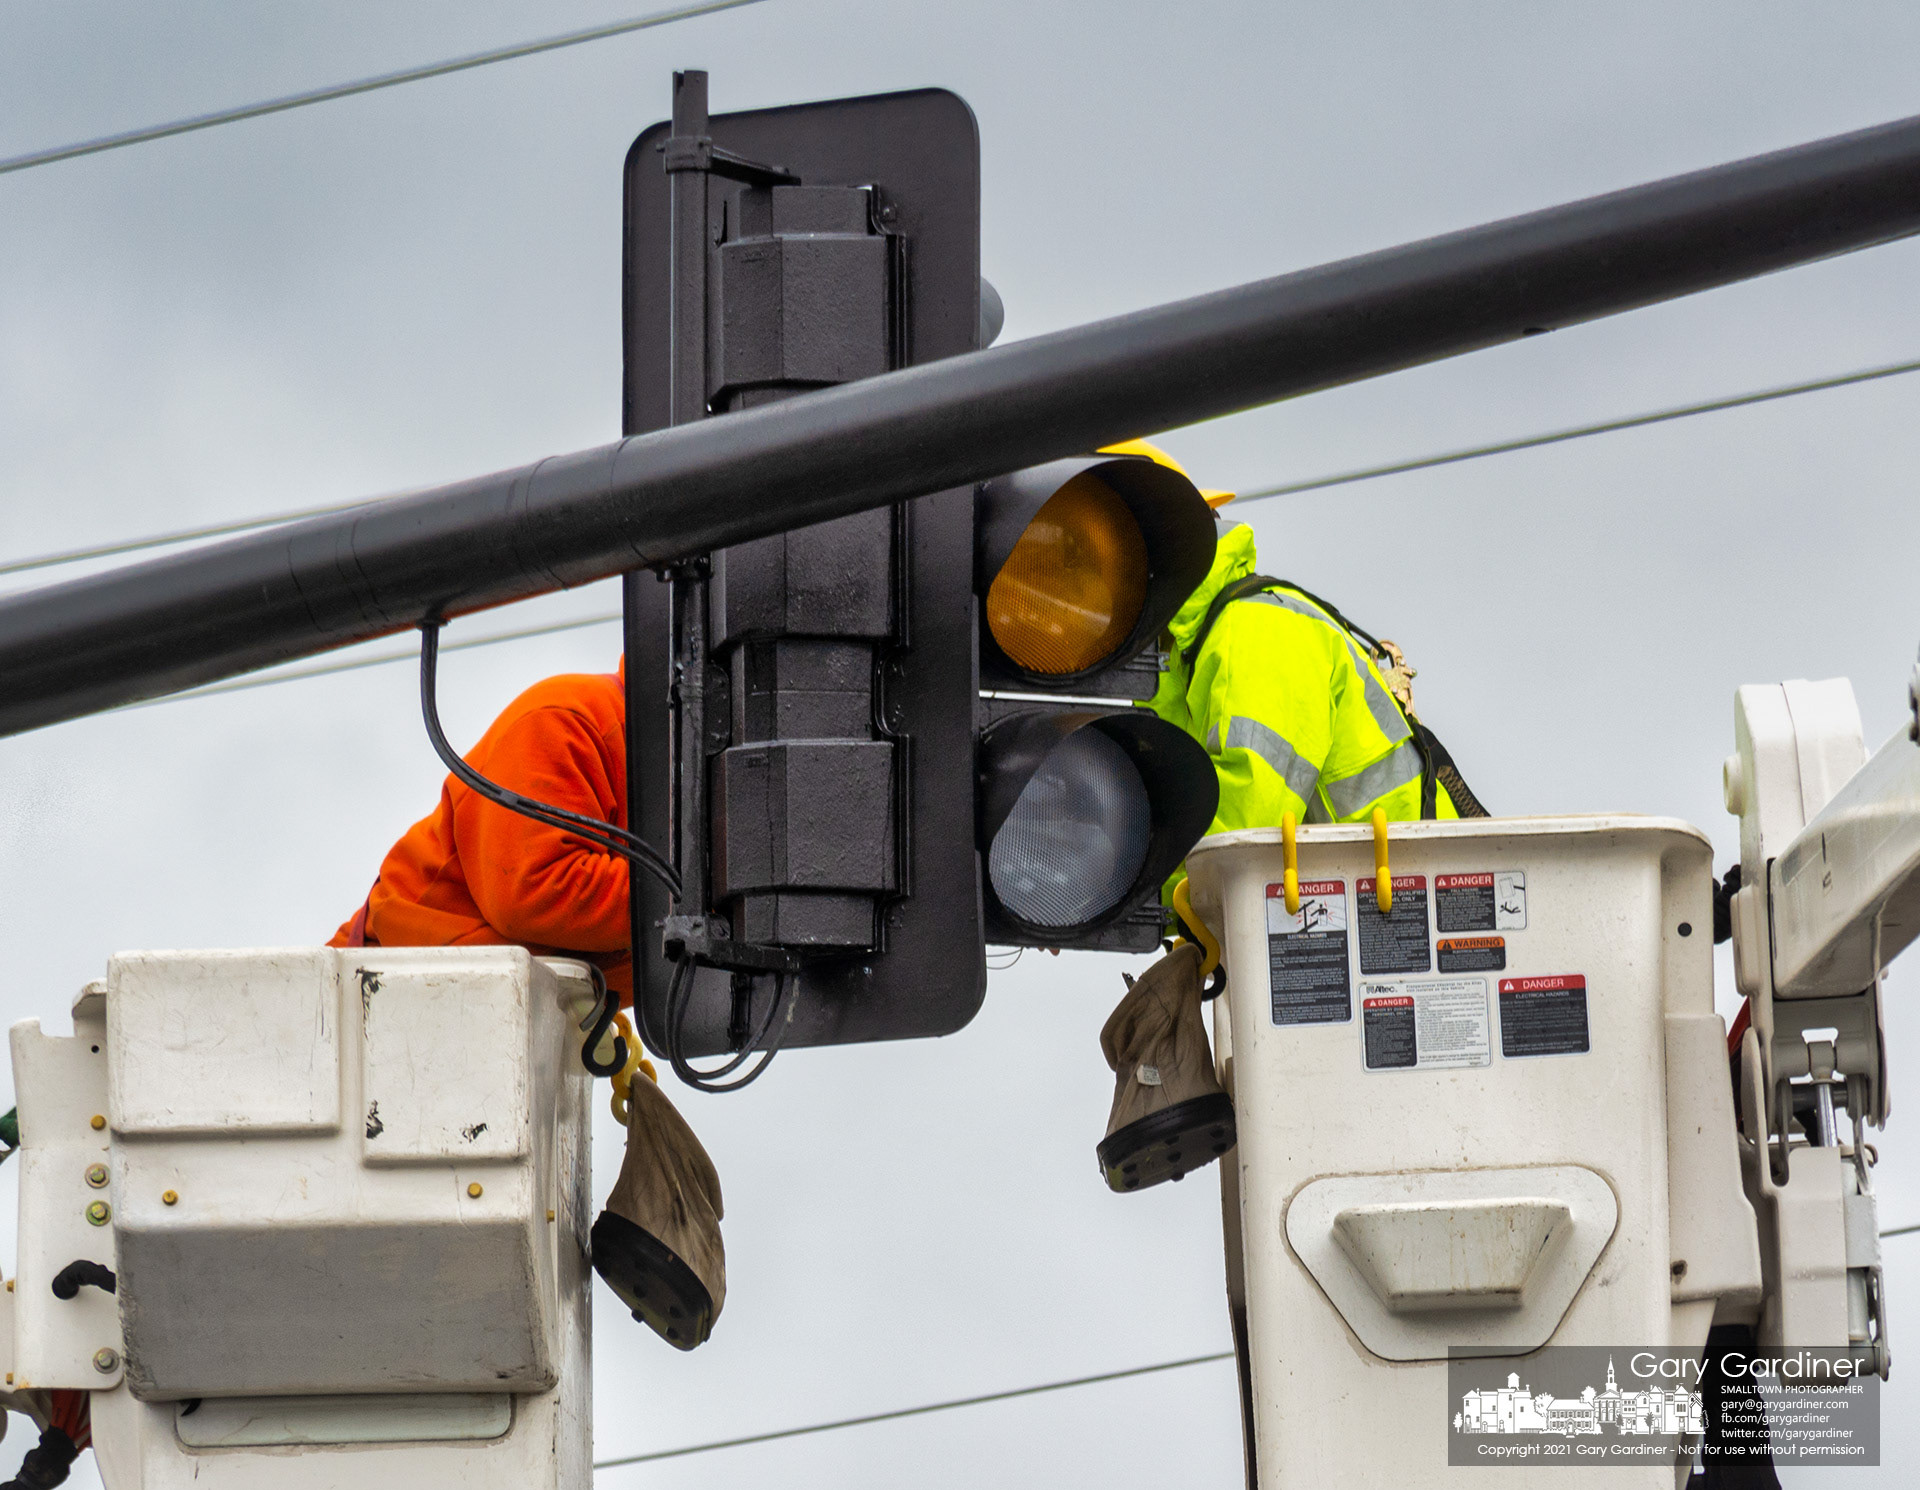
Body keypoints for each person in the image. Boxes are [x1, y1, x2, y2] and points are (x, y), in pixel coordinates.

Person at [1096, 443, 1486, 1192]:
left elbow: (1241, 820)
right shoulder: (1191, 658)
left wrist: (1126, 894)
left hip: (1401, 919)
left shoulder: (1257, 633)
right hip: (1352, 931)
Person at [328, 658, 726, 1350]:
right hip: (368, 1015)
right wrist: (721, 893)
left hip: (465, 1037)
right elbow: (537, 889)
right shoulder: (571, 720)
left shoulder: (682, 786)